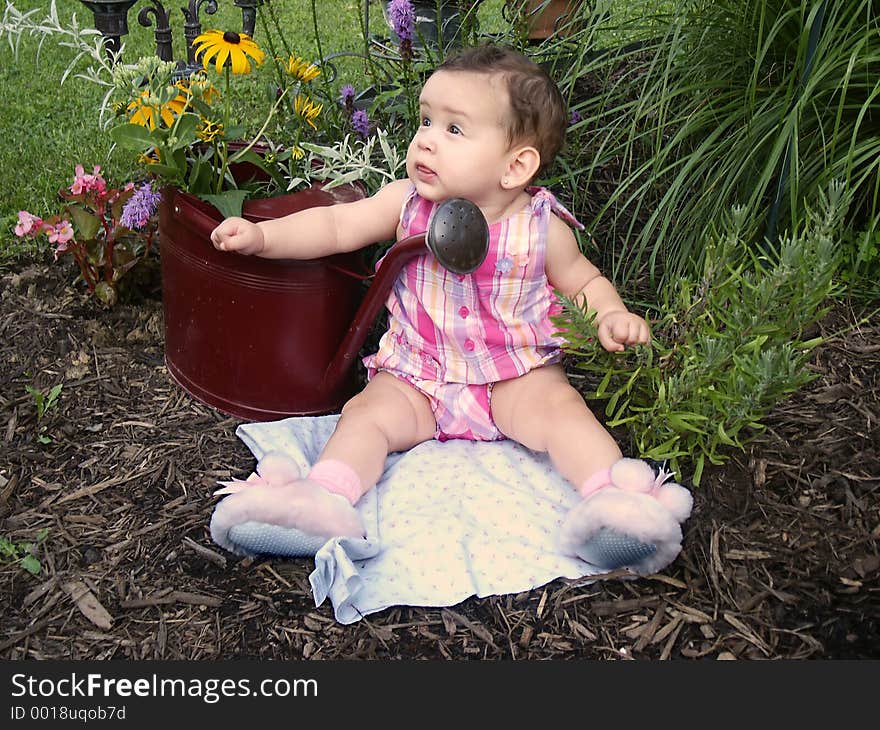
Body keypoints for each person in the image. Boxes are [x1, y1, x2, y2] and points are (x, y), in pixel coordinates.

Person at [208, 44, 692, 575]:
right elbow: (336, 226)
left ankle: (612, 503)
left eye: (453, 130)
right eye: (425, 121)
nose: (426, 140)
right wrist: (262, 236)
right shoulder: (406, 204)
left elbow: (583, 281)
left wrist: (609, 315)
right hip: (418, 376)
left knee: (563, 413)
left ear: (515, 165)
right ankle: (321, 499)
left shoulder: (539, 227)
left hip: (515, 379)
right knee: (365, 416)